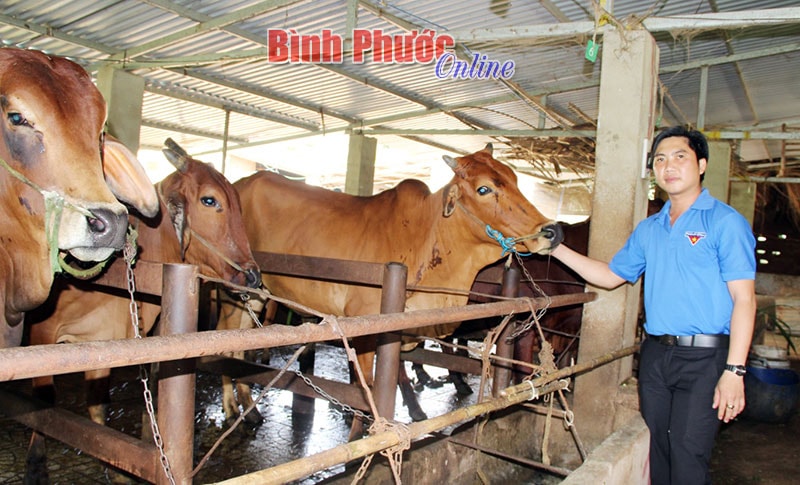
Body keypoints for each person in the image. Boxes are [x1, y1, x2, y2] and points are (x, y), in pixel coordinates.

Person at [550, 125, 756, 485]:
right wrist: (555, 248)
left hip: (706, 359)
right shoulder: (649, 229)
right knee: (660, 449)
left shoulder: (724, 222)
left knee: (688, 455)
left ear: (701, 164)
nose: (669, 166)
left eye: (680, 157)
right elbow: (611, 275)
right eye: (660, 159)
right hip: (657, 356)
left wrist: (734, 372)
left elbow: (744, 299)